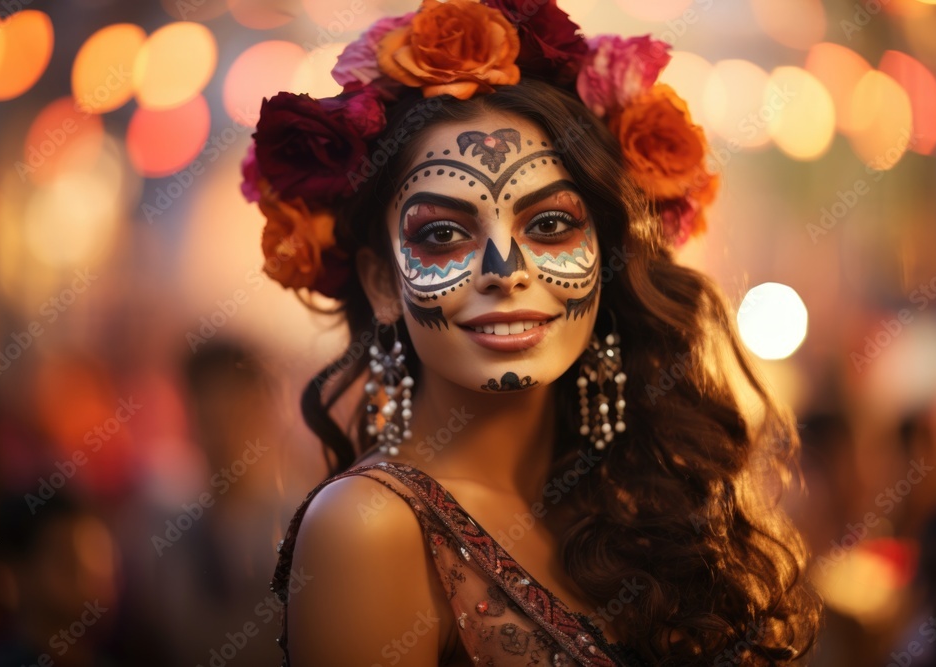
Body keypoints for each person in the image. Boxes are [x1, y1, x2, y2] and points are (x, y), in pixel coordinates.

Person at [241, 1, 822, 664]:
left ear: (606, 256)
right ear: (380, 283)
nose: (504, 270)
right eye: (443, 234)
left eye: (549, 226)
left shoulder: (627, 507)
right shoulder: (368, 527)